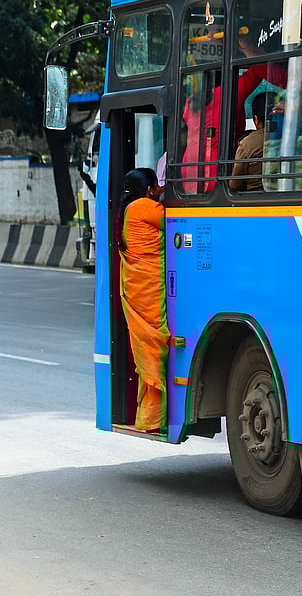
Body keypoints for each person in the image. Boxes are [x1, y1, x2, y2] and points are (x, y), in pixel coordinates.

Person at [116, 168, 169, 432]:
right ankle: (152, 417)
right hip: (149, 288)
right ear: (149, 190)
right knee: (153, 351)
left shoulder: (128, 209)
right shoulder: (145, 207)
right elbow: (177, 222)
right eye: (158, 186)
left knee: (147, 354)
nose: (160, 190)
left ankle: (150, 417)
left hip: (137, 288)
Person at [231, 92, 269, 192]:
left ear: (256, 119)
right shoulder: (295, 138)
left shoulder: (247, 144)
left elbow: (235, 185)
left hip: (254, 198)